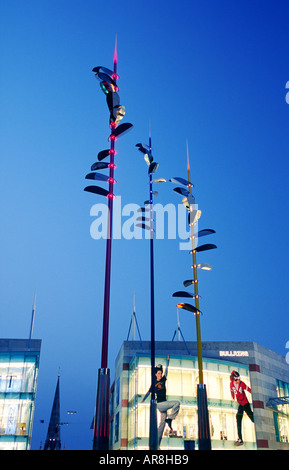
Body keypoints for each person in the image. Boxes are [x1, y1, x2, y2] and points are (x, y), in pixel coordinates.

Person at [141, 355, 180, 447]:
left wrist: (168, 360)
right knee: (177, 403)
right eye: (158, 373)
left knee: (161, 426)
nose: (160, 375)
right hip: (160, 404)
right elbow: (148, 392)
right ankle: (170, 419)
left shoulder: (163, 380)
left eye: (160, 373)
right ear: (155, 374)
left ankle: (157, 444)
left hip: (164, 405)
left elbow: (167, 370)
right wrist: (143, 399)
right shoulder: (154, 383)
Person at [230, 370, 254, 446]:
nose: (238, 381)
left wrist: (255, 394)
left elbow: (248, 389)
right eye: (236, 379)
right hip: (240, 404)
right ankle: (240, 439)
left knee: (251, 416)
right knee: (238, 418)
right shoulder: (231, 384)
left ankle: (258, 421)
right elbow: (232, 392)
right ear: (233, 379)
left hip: (245, 403)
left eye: (239, 379)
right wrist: (233, 398)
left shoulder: (241, 383)